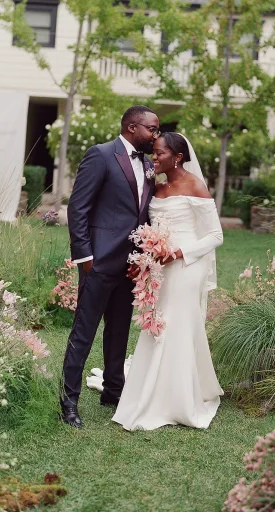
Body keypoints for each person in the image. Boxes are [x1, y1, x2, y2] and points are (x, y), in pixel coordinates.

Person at [111, 132, 224, 430]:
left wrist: (178, 253)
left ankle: (178, 400)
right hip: (159, 264)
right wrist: (145, 259)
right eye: (154, 153)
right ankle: (151, 391)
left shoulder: (195, 185)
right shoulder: (155, 187)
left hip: (187, 264)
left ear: (178, 157)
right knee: (157, 321)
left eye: (160, 154)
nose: (154, 158)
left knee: (175, 323)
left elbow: (216, 236)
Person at [60, 105, 160, 428]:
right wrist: (85, 257)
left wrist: (143, 258)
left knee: (118, 333)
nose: (156, 135)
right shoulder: (101, 155)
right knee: (84, 332)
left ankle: (113, 391)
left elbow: (142, 214)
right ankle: (68, 400)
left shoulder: (147, 165)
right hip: (98, 264)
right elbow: (78, 206)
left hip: (130, 267)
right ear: (132, 128)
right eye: (152, 129)